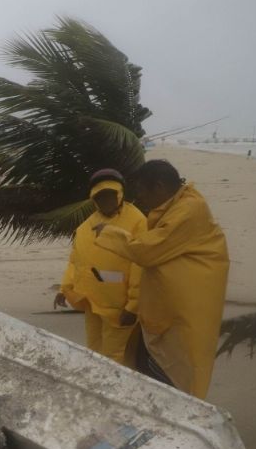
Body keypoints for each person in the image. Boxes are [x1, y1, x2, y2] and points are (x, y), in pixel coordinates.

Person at [93, 160, 229, 399]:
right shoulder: (177, 207)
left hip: (186, 312)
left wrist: (109, 234)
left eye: (143, 193)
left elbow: (148, 251)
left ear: (159, 186)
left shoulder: (189, 210)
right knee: (151, 363)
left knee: (178, 370)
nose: (141, 200)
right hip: (168, 309)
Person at [54, 169, 146, 367]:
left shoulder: (137, 222)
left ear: (120, 195)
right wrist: (65, 288)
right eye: (100, 197)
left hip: (118, 306)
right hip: (92, 301)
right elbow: (76, 260)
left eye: (111, 195)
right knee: (94, 353)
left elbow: (141, 265)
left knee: (114, 357)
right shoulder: (87, 225)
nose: (106, 201)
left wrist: (132, 306)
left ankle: (114, 394)